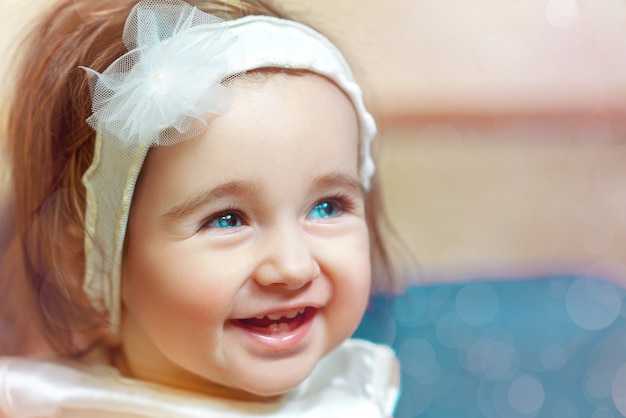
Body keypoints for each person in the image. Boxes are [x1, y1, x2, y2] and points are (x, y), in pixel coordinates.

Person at [0, 0, 401, 416]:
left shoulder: (346, 393)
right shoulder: (55, 407)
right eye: (226, 219)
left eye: (327, 207)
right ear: (83, 259)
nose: (294, 267)